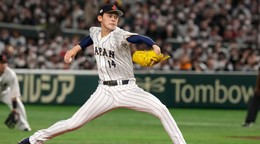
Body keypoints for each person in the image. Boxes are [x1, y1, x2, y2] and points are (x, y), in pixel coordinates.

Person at [18, 4, 186, 144]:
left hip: (128, 89)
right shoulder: (95, 32)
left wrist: (153, 45)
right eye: (109, 15)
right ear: (100, 18)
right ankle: (33, 140)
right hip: (104, 91)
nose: (113, 18)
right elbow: (89, 39)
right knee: (73, 123)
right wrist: (75, 49)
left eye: (116, 16)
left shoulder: (119, 34)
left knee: (162, 109)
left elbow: (136, 38)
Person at [0, 54, 31, 131]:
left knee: (18, 103)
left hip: (3, 93)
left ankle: (24, 126)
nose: (4, 65)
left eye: (5, 62)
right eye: (1, 62)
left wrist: (14, 109)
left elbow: (14, 93)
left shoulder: (10, 74)